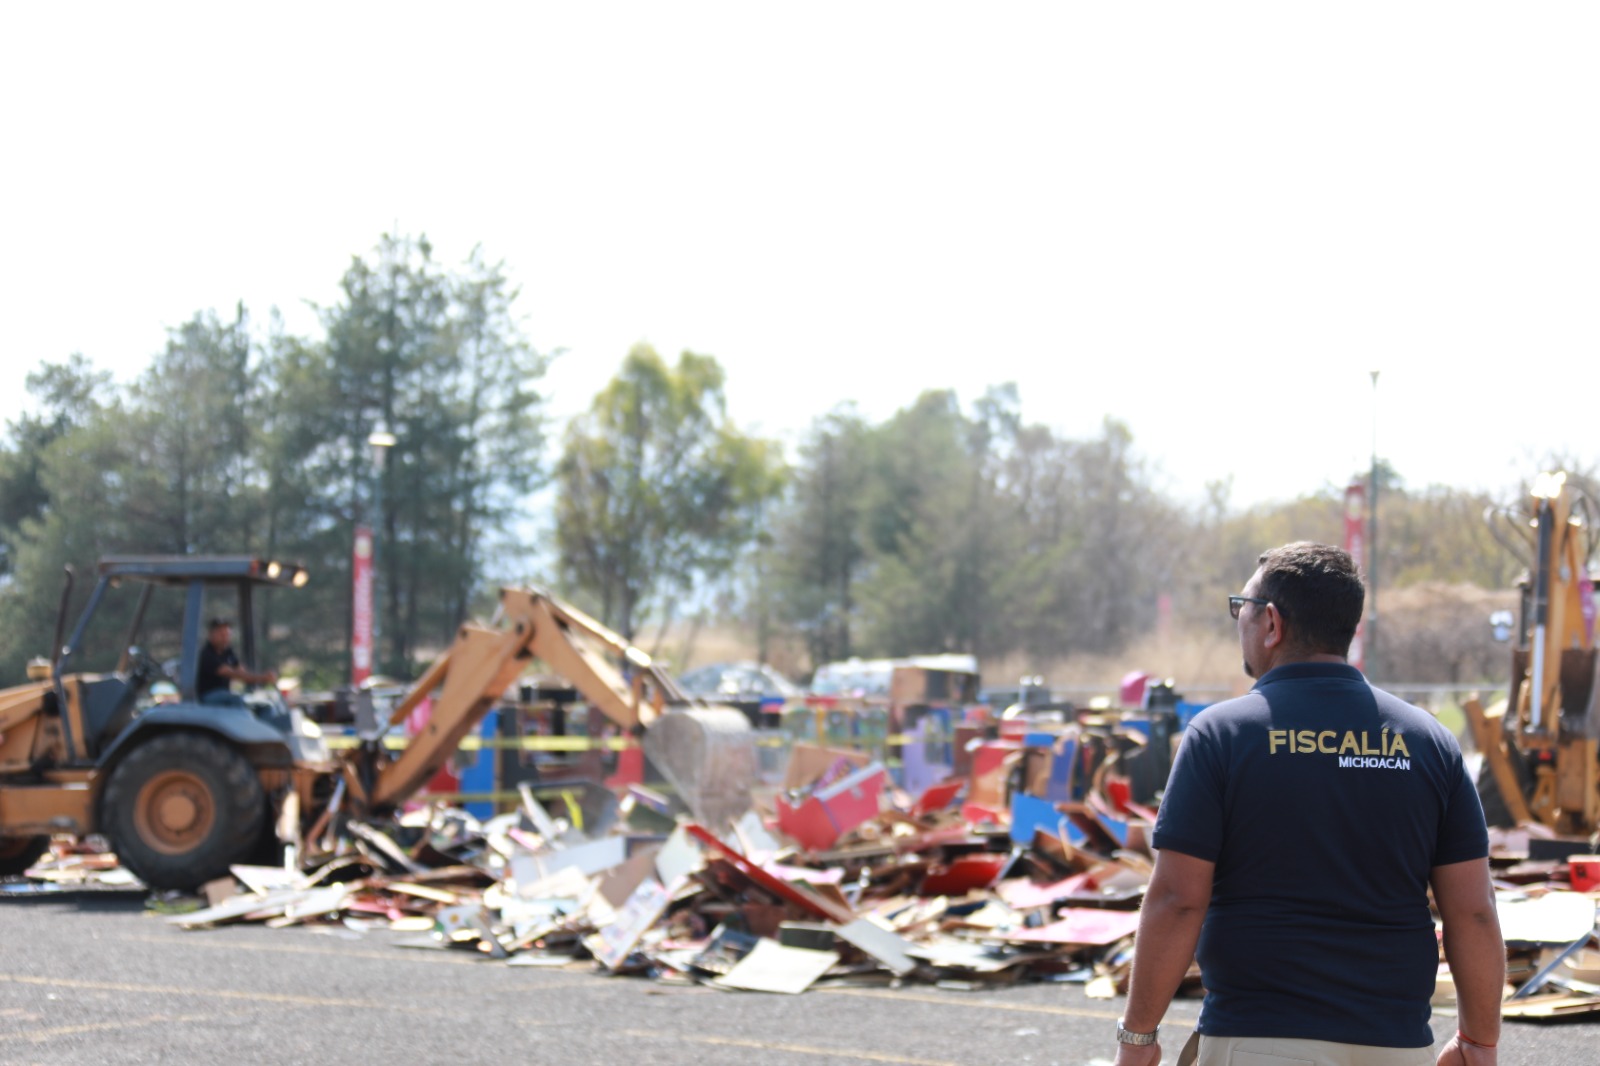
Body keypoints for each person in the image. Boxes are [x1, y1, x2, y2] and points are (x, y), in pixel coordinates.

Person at [1114, 542, 1503, 1066]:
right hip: (1396, 1044)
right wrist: (1478, 1042)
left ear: (1271, 623)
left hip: (1259, 1038)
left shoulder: (1221, 735)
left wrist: (1138, 1039)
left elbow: (1178, 901)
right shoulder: (1428, 741)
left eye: (1241, 608)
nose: (1239, 623)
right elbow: (1474, 912)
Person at [196, 618, 278, 707]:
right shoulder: (207, 654)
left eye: (227, 634)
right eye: (221, 634)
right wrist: (262, 677)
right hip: (207, 697)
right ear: (211, 634)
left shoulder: (228, 652)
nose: (225, 637)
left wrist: (263, 678)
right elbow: (232, 674)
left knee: (263, 704)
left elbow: (242, 672)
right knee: (236, 700)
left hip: (225, 694)